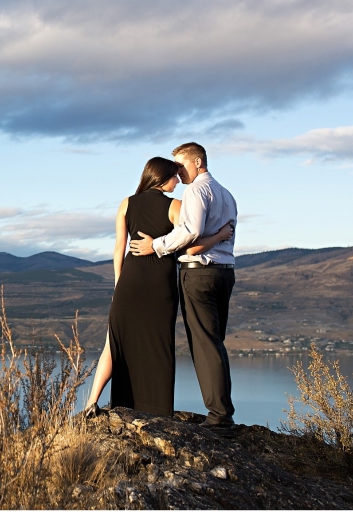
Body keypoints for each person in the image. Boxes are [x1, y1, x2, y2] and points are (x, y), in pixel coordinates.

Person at [82, 157, 233, 418]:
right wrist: (219, 237)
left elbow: (119, 248)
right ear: (162, 177)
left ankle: (91, 404)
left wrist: (119, 284)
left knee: (114, 342)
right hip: (160, 284)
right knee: (159, 345)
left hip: (129, 280)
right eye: (174, 176)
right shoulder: (176, 206)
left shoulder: (126, 203)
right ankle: (157, 409)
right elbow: (190, 246)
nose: (177, 181)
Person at [129, 142, 238, 437]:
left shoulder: (195, 191)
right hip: (224, 273)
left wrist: (157, 245)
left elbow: (189, 232)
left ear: (198, 162)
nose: (177, 171)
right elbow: (224, 237)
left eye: (180, 165)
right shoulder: (226, 194)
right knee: (215, 342)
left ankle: (219, 419)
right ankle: (222, 413)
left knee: (204, 344)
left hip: (198, 273)